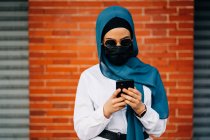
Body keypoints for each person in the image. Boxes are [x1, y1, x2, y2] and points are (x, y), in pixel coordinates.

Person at [74, 6, 169, 140]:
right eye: (111, 43)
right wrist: (105, 111)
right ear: (101, 43)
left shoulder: (150, 75)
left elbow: (159, 130)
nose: (118, 47)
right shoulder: (89, 77)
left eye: (124, 42)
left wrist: (141, 109)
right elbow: (82, 132)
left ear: (132, 41)